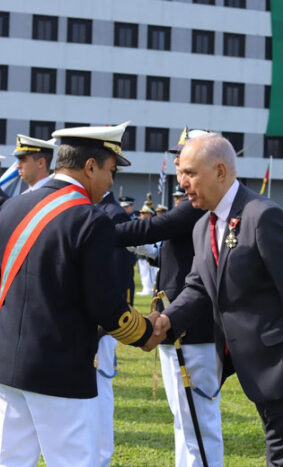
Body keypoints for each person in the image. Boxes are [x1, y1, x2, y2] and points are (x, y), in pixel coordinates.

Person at [0, 122, 158, 466]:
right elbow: (105, 305)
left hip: (6, 364)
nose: (111, 181)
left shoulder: (12, 208)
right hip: (59, 369)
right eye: (110, 170)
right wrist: (145, 332)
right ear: (90, 166)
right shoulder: (91, 220)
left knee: (9, 460)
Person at [153, 134, 283, 466]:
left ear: (220, 171)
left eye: (191, 173)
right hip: (255, 363)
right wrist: (168, 320)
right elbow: (198, 285)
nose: (183, 183)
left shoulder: (262, 215)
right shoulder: (203, 225)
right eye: (181, 173)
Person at [115, 128, 224, 467]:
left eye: (185, 155)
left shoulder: (198, 205)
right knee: (185, 419)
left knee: (197, 421)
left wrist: (88, 229)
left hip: (192, 327)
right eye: (178, 155)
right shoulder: (194, 203)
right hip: (179, 324)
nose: (177, 161)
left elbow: (148, 229)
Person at [94, 186, 136, 466]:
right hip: (80, 317)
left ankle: (101, 455)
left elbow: (121, 272)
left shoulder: (114, 214)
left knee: (101, 387)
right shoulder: (90, 207)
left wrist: (107, 321)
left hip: (102, 320)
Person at [136, 203, 157, 296]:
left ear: (150, 214)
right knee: (143, 270)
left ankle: (150, 288)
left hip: (151, 250)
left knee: (150, 270)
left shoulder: (153, 223)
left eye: (145, 213)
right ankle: (146, 288)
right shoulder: (140, 223)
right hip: (142, 251)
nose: (142, 215)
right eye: (142, 213)